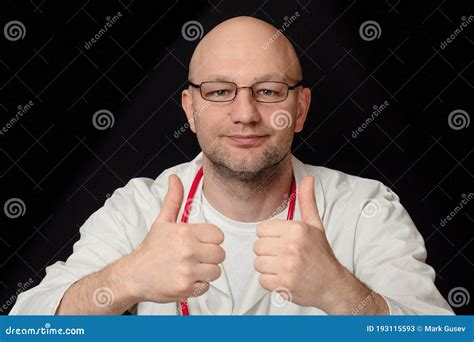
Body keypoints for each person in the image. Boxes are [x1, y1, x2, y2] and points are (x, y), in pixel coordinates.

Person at [10, 16, 453, 315]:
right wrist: (127, 278)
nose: (245, 114)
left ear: (300, 108)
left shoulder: (364, 208)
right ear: (191, 109)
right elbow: (26, 330)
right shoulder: (138, 208)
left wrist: (339, 292)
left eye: (269, 90)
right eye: (220, 92)